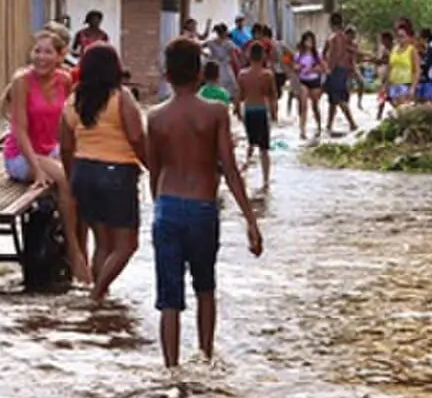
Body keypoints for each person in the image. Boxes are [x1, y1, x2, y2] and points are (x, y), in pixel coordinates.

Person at [147, 36, 263, 368]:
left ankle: (171, 369)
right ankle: (207, 357)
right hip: (202, 208)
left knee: (168, 300)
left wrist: (158, 211)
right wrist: (250, 220)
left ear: (167, 76)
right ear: (200, 74)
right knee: (205, 288)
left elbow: (154, 172)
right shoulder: (215, 112)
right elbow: (229, 169)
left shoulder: (155, 117)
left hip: (167, 208)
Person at [61, 43, 147, 301]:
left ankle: (102, 298)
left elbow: (65, 146)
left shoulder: (74, 100)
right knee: (127, 245)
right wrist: (152, 165)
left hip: (84, 172)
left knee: (103, 244)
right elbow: (136, 137)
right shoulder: (121, 97)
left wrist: (71, 178)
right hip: (117, 174)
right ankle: (97, 295)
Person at [5, 30, 89, 281]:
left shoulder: (65, 80)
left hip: (50, 149)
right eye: (37, 51)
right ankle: (74, 252)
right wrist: (38, 169)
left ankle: (85, 248)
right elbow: (19, 129)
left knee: (81, 179)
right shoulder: (22, 81)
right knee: (64, 179)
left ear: (61, 56)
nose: (40, 57)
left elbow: (69, 124)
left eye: (47, 52)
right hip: (21, 155)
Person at [237, 41, 278, 189]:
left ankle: (243, 174)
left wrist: (237, 111)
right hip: (261, 110)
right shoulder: (267, 74)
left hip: (248, 110)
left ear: (249, 56)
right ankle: (266, 180)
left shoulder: (242, 74)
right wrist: (274, 114)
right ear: (263, 56)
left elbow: (239, 97)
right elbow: (273, 96)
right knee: (264, 148)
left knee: (250, 144)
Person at [321, 12, 359, 136]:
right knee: (333, 100)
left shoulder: (333, 38)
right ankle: (329, 125)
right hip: (343, 71)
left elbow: (333, 56)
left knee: (338, 98)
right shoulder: (344, 37)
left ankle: (352, 123)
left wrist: (328, 69)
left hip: (336, 70)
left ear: (331, 23)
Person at [292, 31, 325, 139]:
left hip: (315, 81)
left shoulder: (317, 55)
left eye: (311, 40)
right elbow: (294, 67)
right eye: (307, 40)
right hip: (303, 81)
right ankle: (302, 131)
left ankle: (319, 126)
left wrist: (313, 69)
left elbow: (323, 68)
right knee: (304, 106)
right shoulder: (299, 55)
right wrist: (298, 67)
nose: (309, 43)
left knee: (315, 106)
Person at [381, 21, 419, 115]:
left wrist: (413, 87)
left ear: (408, 37)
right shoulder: (394, 49)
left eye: (402, 36)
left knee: (403, 110)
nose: (400, 39)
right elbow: (390, 68)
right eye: (398, 36)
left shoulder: (411, 50)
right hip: (394, 84)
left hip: (405, 84)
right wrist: (386, 85)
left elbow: (416, 70)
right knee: (397, 110)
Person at [203, 24, 241, 100]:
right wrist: (239, 70)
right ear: (225, 32)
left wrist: (206, 55)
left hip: (214, 69)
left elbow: (199, 47)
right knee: (231, 92)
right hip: (226, 69)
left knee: (214, 90)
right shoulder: (228, 43)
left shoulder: (211, 42)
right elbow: (234, 59)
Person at [416, 24, 432, 104]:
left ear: (425, 39)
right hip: (419, 83)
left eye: (419, 38)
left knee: (428, 107)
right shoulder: (416, 52)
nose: (417, 40)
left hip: (429, 84)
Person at [372, 30, 394, 119]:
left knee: (388, 97)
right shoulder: (385, 49)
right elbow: (382, 60)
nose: (382, 42)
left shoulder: (394, 49)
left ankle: (379, 115)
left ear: (388, 39)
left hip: (391, 76)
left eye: (383, 40)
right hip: (384, 76)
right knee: (383, 96)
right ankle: (379, 115)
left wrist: (378, 61)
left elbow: (388, 61)